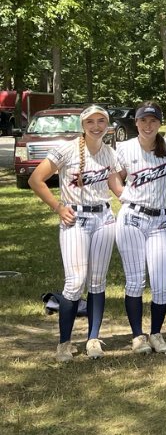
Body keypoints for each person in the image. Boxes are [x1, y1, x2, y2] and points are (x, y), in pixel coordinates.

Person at [29, 105, 122, 361]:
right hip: (75, 218)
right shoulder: (66, 149)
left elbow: (117, 187)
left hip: (103, 218)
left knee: (97, 282)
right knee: (74, 282)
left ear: (108, 124)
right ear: (83, 124)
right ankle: (64, 343)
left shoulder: (109, 153)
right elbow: (36, 179)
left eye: (101, 121)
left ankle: (93, 338)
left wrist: (140, 198)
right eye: (90, 121)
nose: (96, 126)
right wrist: (58, 207)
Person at [115, 101, 166, 355]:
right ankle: (138, 335)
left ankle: (157, 333)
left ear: (159, 123)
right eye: (143, 120)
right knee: (135, 281)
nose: (148, 125)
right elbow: (113, 176)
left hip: (160, 220)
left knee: (161, 282)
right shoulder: (125, 147)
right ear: (136, 122)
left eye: (153, 120)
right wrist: (124, 196)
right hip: (132, 219)